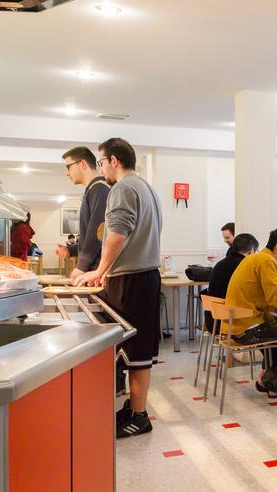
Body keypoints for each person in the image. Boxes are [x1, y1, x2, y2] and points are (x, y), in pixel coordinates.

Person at [77, 137, 164, 439]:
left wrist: (100, 270)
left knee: (135, 352)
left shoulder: (123, 188)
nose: (101, 169)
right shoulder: (145, 187)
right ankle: (132, 408)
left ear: (113, 160)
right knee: (136, 351)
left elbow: (117, 233)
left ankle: (139, 416)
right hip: (145, 275)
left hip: (132, 278)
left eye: (101, 162)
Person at [222, 226, 277, 397]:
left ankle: (271, 379)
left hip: (238, 324)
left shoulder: (257, 258)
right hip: (248, 328)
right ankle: (275, 384)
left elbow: (270, 300)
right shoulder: (266, 261)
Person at [60, 146, 110, 278]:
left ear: (82, 164)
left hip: (98, 270)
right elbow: (88, 234)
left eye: (68, 167)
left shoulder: (99, 189)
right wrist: (70, 250)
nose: (67, 173)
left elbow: (97, 232)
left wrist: (81, 266)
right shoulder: (93, 190)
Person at [203, 232, 259, 330]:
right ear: (251, 251)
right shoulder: (243, 266)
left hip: (213, 321)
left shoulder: (220, 264)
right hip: (231, 324)